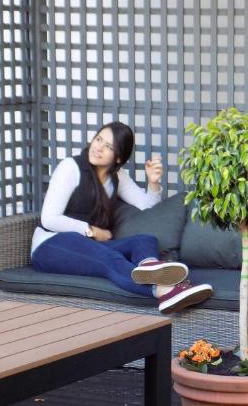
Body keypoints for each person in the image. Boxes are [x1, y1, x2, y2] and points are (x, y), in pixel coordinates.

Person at [31, 122, 213, 314]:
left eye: (108, 146)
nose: (98, 148)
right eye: (99, 139)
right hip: (49, 245)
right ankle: (163, 291)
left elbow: (146, 206)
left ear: (118, 158)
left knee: (145, 240)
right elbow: (49, 218)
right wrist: (91, 230)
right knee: (110, 258)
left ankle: (149, 268)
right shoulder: (70, 167)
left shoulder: (116, 177)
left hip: (89, 245)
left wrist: (153, 182)